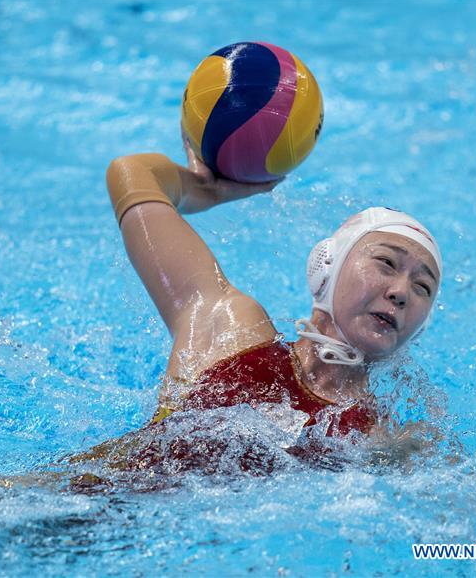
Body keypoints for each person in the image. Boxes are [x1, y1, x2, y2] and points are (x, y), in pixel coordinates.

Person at [70, 136, 443, 475]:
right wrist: (208, 188)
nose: (401, 291)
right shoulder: (228, 329)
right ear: (327, 265)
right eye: (386, 263)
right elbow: (132, 172)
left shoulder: (379, 441)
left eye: (422, 287)